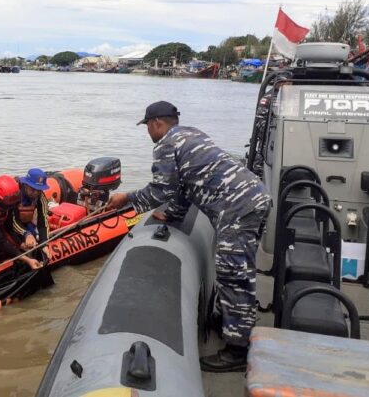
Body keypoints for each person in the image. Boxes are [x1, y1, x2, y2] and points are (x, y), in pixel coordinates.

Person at [107, 101, 271, 373]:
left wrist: (127, 199)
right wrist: (172, 213)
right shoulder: (191, 134)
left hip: (237, 206)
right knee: (239, 268)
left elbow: (160, 190)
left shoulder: (165, 145)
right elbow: (185, 186)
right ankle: (231, 323)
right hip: (253, 197)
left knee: (233, 273)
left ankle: (237, 350)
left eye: (147, 126)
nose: (148, 132)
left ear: (157, 123)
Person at [12, 168, 51, 251]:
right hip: (11, 223)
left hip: (26, 221)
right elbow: (11, 221)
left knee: (34, 237)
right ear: (26, 185)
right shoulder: (15, 194)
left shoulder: (41, 197)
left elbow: (43, 221)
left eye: (39, 190)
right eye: (33, 189)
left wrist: (44, 244)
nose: (36, 193)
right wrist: (26, 234)